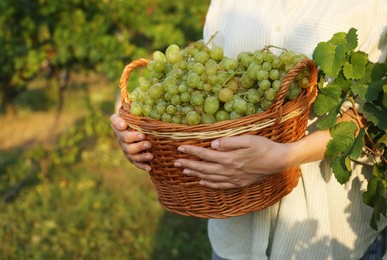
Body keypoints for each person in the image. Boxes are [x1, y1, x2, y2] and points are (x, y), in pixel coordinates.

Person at [110, 0, 387, 259]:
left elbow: (377, 114)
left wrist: (285, 156)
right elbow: (205, 67)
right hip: (233, 237)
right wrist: (139, 131)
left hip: (329, 237)